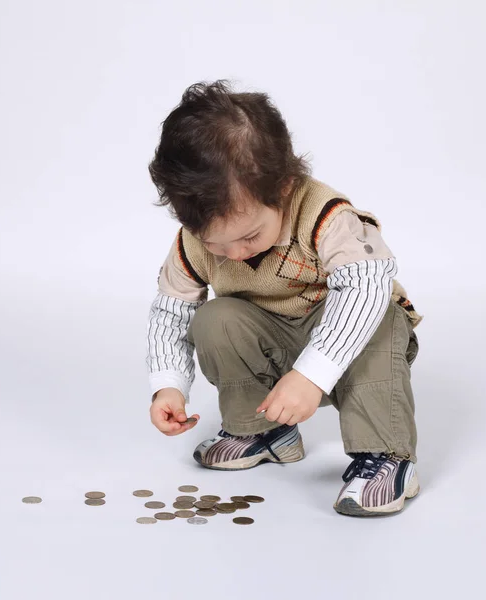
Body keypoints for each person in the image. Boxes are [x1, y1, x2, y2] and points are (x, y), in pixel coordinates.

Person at [145, 79, 423, 517]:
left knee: (381, 316)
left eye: (249, 235)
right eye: (217, 245)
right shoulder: (195, 240)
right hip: (275, 345)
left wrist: (312, 375)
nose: (234, 254)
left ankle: (386, 456)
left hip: (350, 343)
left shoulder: (326, 217)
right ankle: (263, 432)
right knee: (214, 319)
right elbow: (172, 310)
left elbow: (366, 288)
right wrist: (168, 387)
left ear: (285, 187)